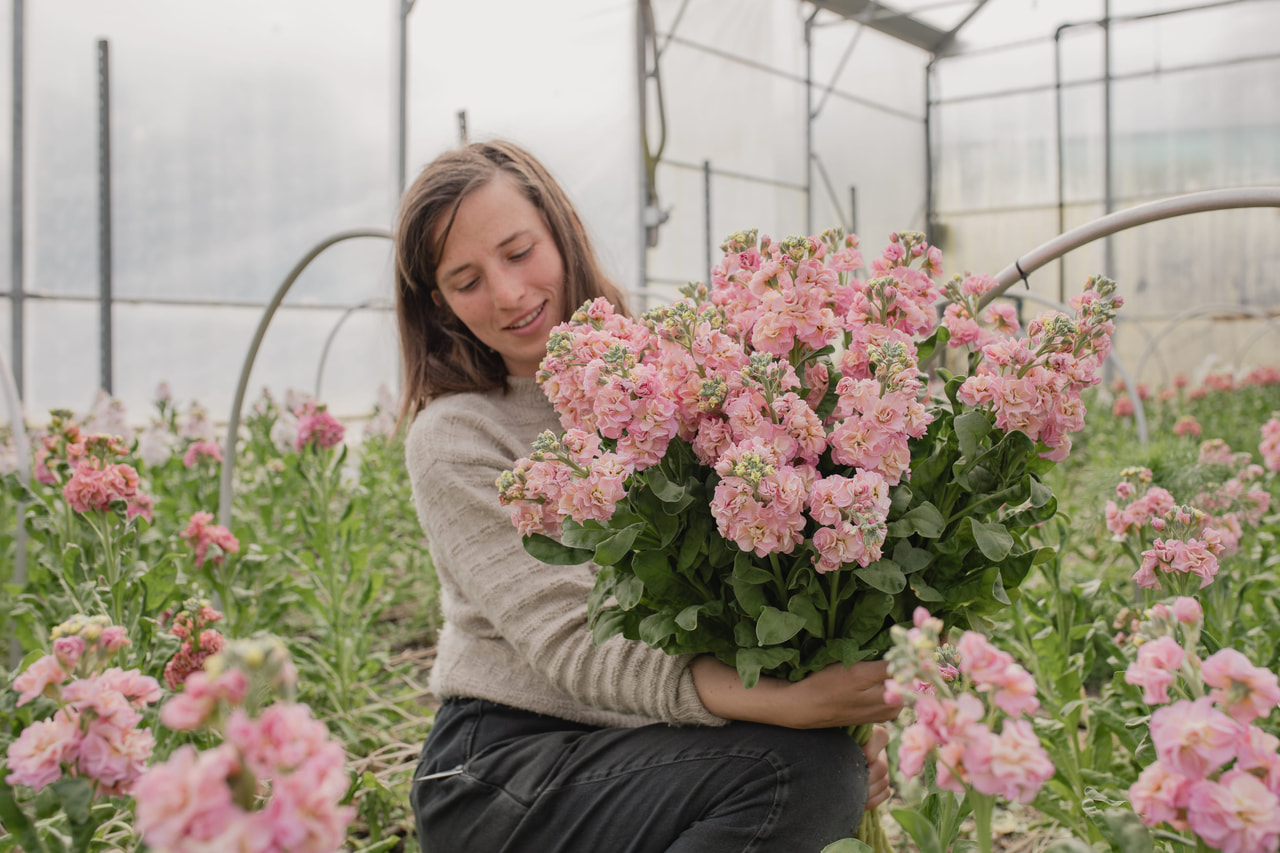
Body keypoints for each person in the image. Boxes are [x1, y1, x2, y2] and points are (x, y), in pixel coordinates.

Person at [396, 140, 901, 853]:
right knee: (805, 778)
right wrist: (788, 706)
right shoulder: (456, 434)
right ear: (441, 303)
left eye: (517, 251)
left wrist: (831, 711)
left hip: (644, 745)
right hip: (501, 769)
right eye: (467, 279)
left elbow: (744, 590)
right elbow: (575, 644)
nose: (507, 293)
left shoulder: (665, 379)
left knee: (823, 771)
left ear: (560, 234)